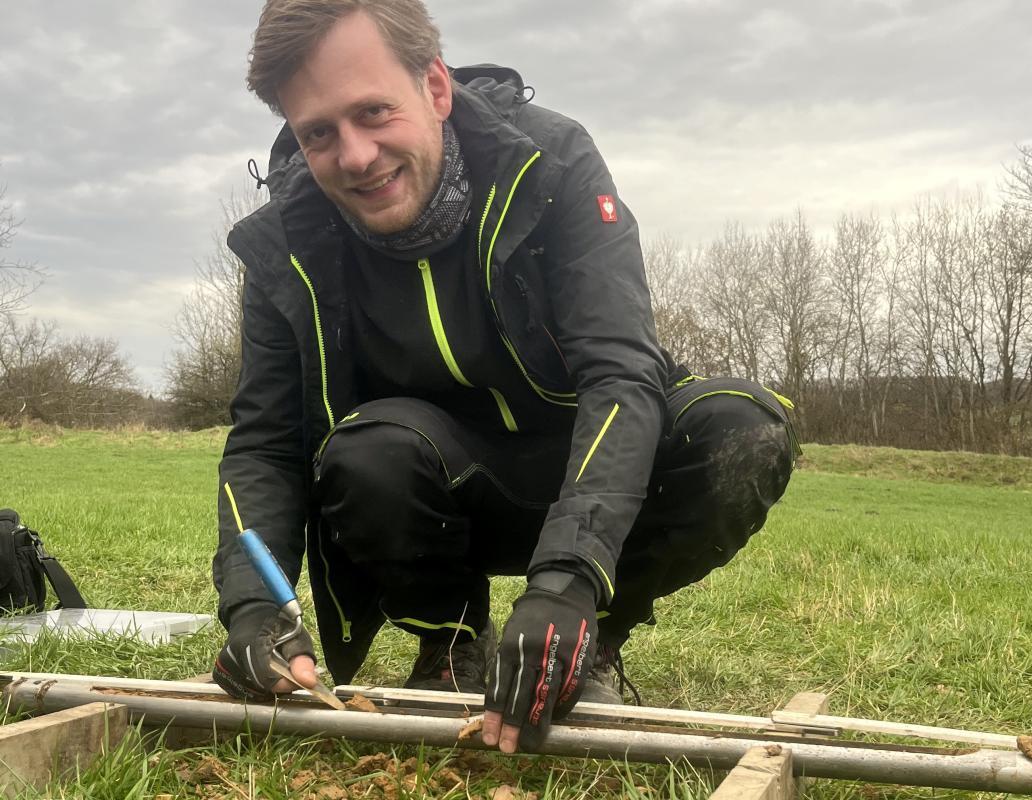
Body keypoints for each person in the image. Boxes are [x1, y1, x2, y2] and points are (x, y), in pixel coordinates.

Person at [211, 0, 797, 754]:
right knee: (367, 449)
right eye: (318, 133)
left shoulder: (554, 161)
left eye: (374, 112)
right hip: (433, 489)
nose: (354, 156)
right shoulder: (284, 240)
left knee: (739, 428)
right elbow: (263, 440)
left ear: (436, 88)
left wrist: (568, 581)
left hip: (590, 474)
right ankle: (448, 645)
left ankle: (590, 637)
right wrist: (254, 606)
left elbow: (621, 374)